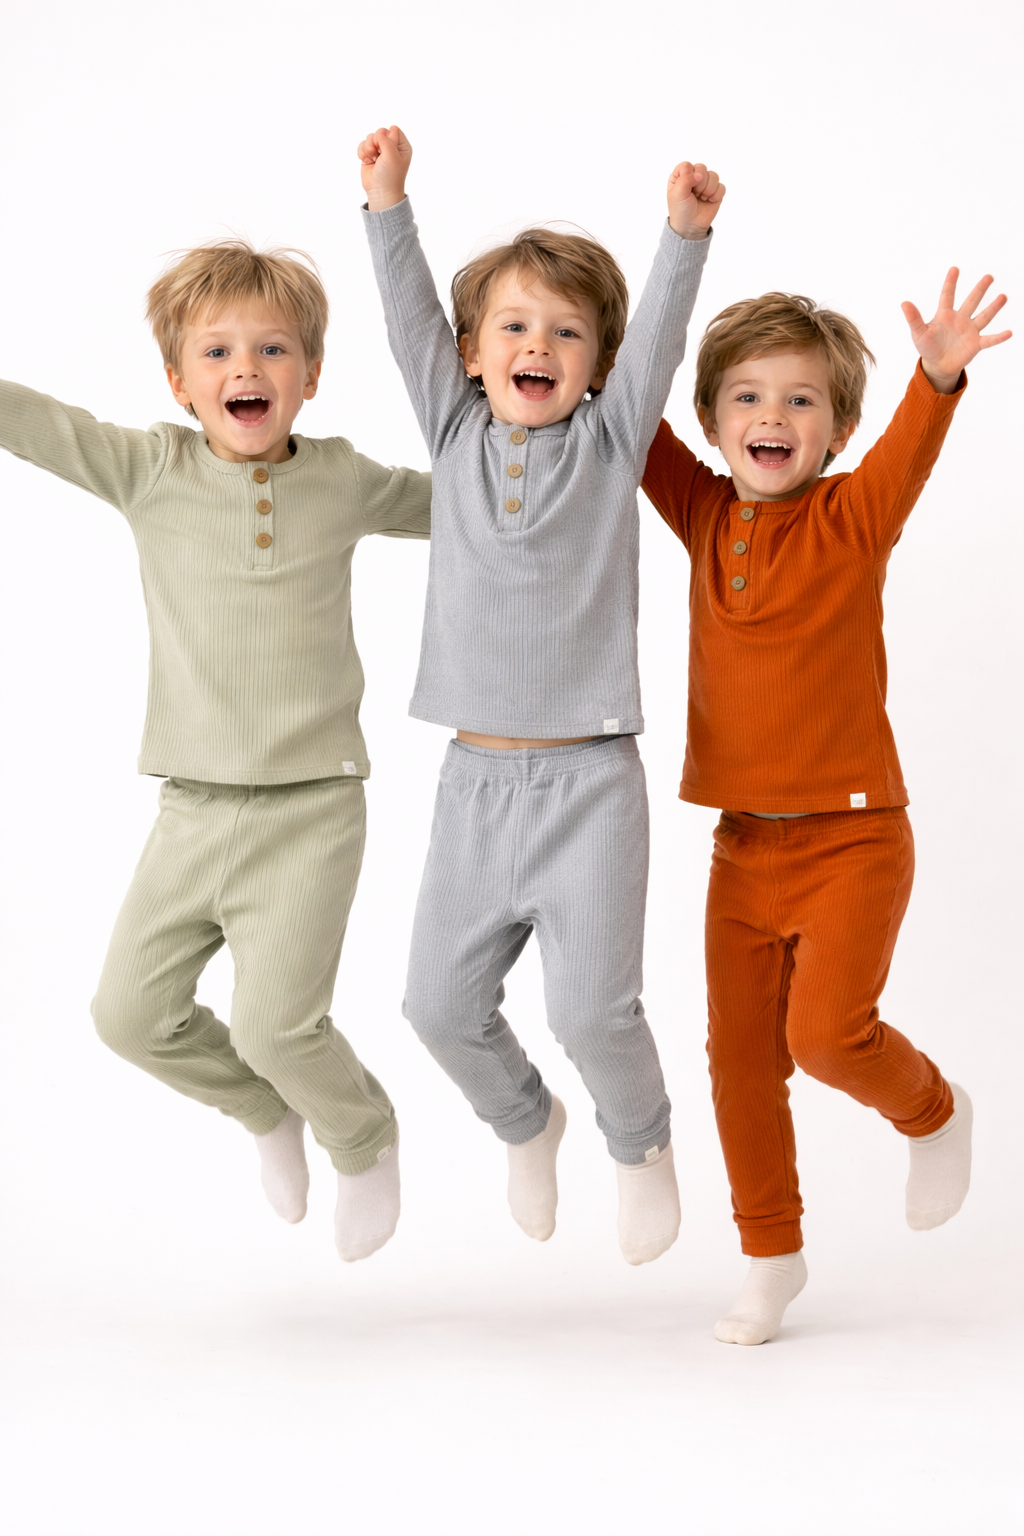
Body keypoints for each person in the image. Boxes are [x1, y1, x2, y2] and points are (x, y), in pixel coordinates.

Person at [0, 238, 432, 1261]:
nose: (247, 369)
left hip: (313, 810)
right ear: (180, 382)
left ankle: (361, 1138)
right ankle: (261, 1110)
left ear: (311, 376)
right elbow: (37, 425)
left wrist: (559, 450)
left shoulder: (344, 481)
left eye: (274, 349)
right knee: (127, 1013)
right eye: (219, 352)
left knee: (284, 1025)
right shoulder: (148, 467)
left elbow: (474, 508)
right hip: (192, 808)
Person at [357, 124, 723, 1263]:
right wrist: (385, 205)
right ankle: (529, 1120)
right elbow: (409, 318)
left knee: (590, 1012)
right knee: (434, 1007)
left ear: (598, 367)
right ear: (472, 354)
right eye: (513, 326)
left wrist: (682, 237)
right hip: (473, 782)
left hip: (589, 783)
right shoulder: (454, 428)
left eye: (566, 332)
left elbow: (657, 342)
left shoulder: (609, 444)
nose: (538, 344)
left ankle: (640, 1143)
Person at [641, 269, 1010, 1340]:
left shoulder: (853, 515)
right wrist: (633, 306)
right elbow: (631, 424)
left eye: (801, 401)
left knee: (825, 1037)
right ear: (712, 421)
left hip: (855, 840)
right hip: (741, 848)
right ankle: (771, 1255)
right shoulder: (702, 509)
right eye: (747, 397)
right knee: (739, 1063)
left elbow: (908, 454)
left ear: (839, 427)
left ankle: (933, 1110)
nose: (772, 417)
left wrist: (935, 379)